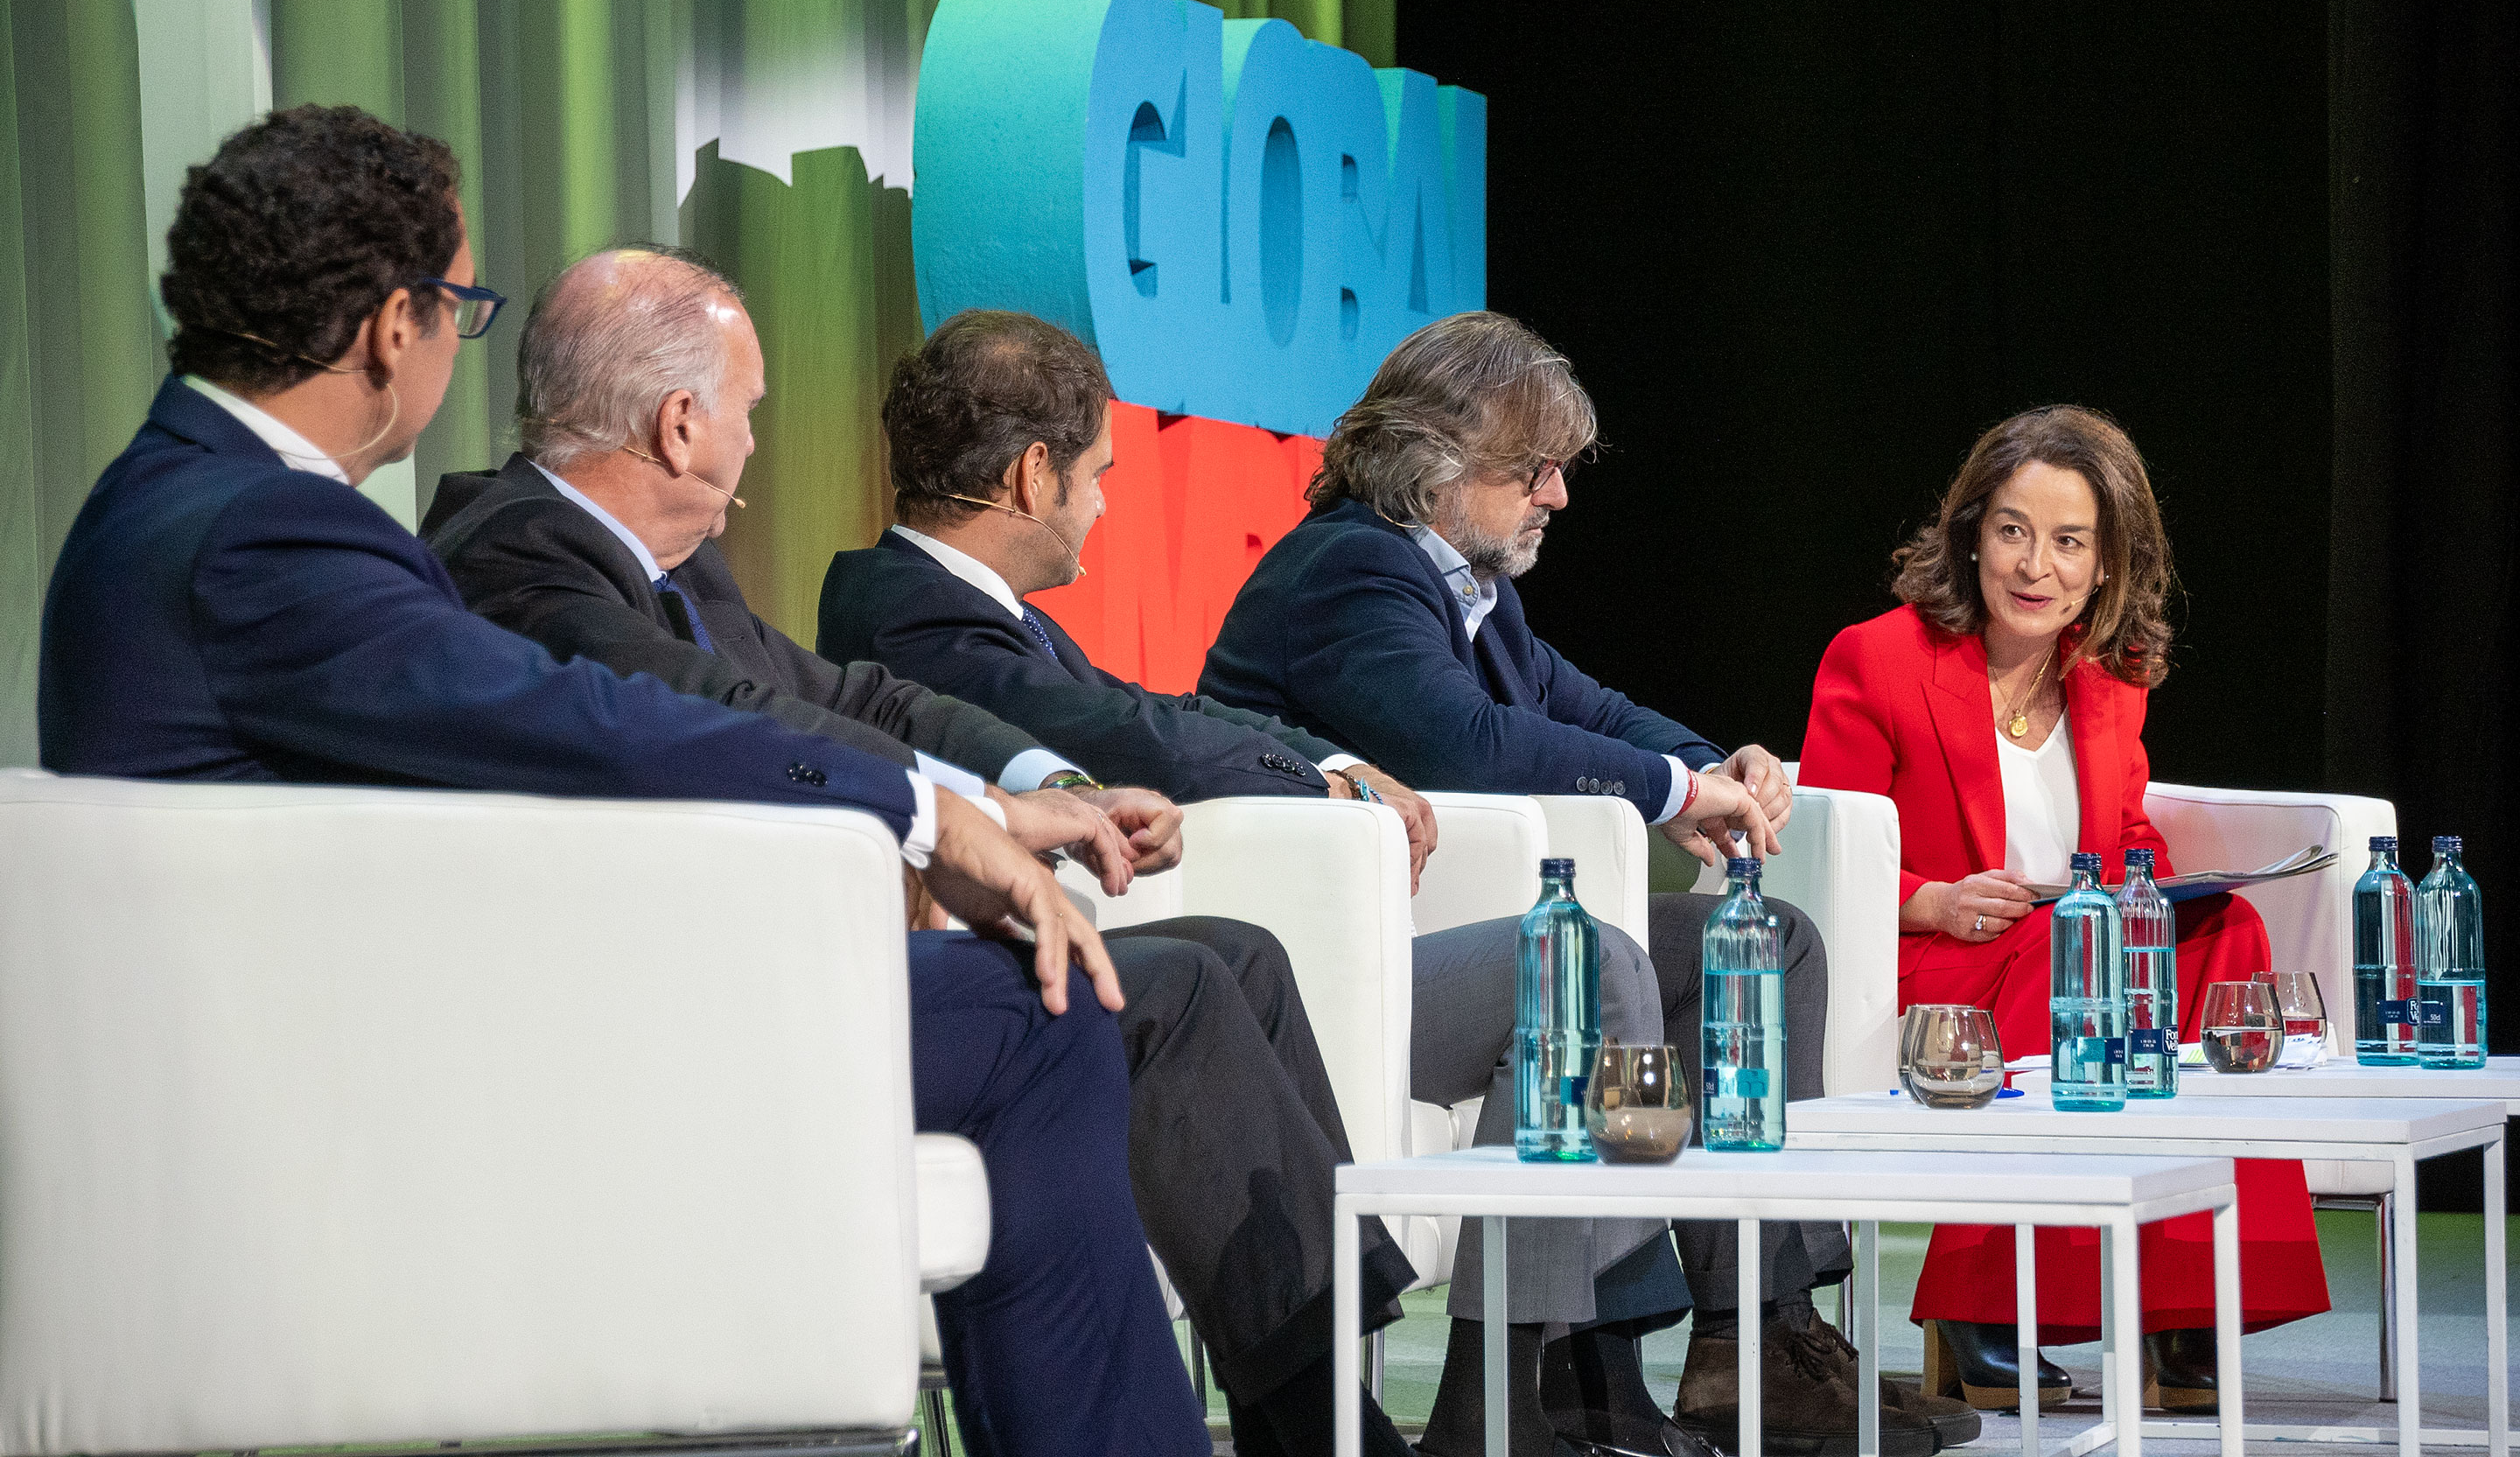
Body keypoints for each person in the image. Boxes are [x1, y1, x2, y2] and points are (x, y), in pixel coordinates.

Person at [35, 105, 1206, 1457]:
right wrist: (920, 807)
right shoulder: (261, 534)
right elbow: (568, 721)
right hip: (377, 1091)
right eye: (462, 312)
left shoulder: (172, 499)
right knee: (1037, 1010)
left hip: (343, 1039)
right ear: (388, 329)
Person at [423, 246, 1424, 1457]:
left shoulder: (673, 567)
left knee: (1234, 953)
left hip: (775, 946)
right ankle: (1325, 1427)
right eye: (748, 414)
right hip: (671, 1002)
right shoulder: (520, 555)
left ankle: (1316, 1411)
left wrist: (1044, 785)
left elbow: (854, 697)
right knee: (1164, 990)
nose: (752, 446)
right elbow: (715, 717)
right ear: (680, 425)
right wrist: (958, 820)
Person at [819, 312, 1819, 1457]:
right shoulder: (914, 608)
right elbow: (1123, 726)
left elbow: (1169, 714)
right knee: (1575, 966)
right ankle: (1448, 1405)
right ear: (1033, 472)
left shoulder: (996, 618)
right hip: (1083, 958)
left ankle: (1475, 1394)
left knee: (1641, 955)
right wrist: (1327, 784)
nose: (1105, 502)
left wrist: (1696, 764)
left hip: (1225, 928)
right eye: (1097, 475)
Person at [1199, 312, 1950, 1457]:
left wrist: (1711, 763)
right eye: (1530, 468)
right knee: (1597, 975)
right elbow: (1469, 748)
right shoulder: (1352, 568)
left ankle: (1751, 1330)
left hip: (1441, 921)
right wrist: (1670, 794)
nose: (1557, 493)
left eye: (1560, 467)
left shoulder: (1465, 582)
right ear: (1431, 463)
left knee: (1764, 941)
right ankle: (1514, 1388)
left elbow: (1583, 707)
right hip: (1325, 965)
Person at [1797, 404, 2329, 1412]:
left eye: (2068, 541)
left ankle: (2188, 1305)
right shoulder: (1879, 659)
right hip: (1933, 964)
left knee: (2228, 935)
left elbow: (2124, 831)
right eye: (2012, 531)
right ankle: (1982, 1304)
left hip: (2059, 951)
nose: (2035, 565)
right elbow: (1819, 862)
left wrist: (2156, 882)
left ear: (2107, 562)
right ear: (1972, 536)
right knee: (2077, 949)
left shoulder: (2107, 675)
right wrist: (1934, 901)